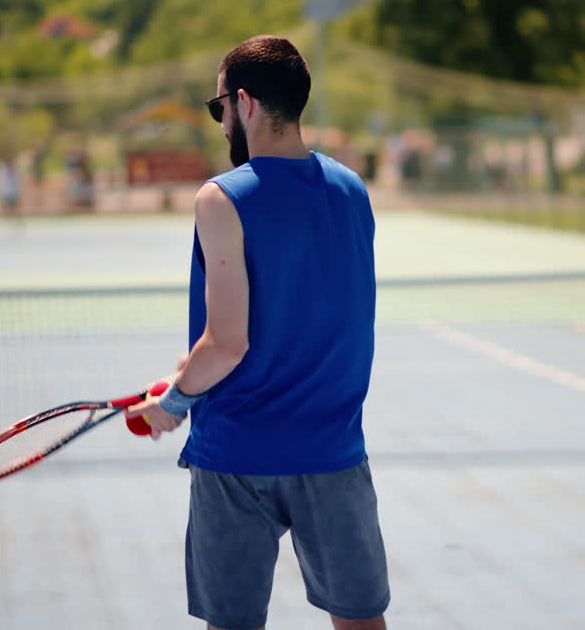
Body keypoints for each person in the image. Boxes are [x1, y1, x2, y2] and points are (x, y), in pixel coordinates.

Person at [125, 35, 389, 630]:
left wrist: (175, 400)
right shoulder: (353, 191)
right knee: (361, 623)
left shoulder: (220, 199)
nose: (221, 125)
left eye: (219, 108)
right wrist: (184, 376)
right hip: (334, 452)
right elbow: (301, 315)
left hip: (238, 457)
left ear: (243, 104)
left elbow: (228, 343)